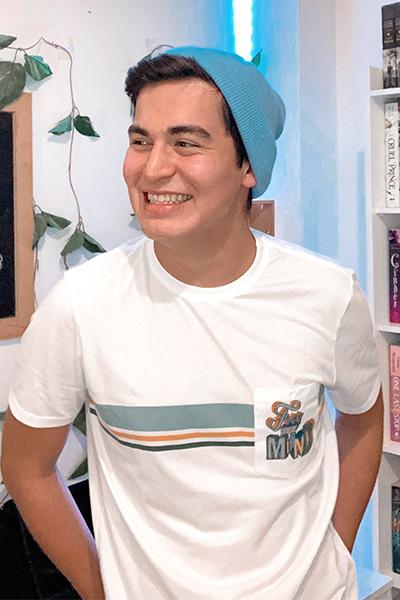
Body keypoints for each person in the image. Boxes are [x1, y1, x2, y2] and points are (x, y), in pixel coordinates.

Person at [1, 46, 383, 600]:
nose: (153, 168)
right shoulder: (80, 305)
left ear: (248, 167)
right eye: (141, 141)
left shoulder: (327, 295)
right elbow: (27, 467)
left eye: (186, 142)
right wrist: (98, 588)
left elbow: (363, 420)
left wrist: (334, 552)